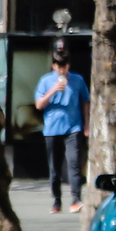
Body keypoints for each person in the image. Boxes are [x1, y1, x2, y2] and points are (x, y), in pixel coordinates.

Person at [34, 45, 89, 214]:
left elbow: (85, 102)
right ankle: (57, 201)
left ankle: (76, 199)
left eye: (64, 67)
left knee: (74, 164)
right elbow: (39, 105)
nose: (61, 70)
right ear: (53, 66)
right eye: (58, 67)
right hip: (52, 129)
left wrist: (86, 125)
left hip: (73, 127)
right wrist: (53, 91)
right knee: (54, 168)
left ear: (68, 66)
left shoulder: (78, 80)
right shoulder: (45, 81)